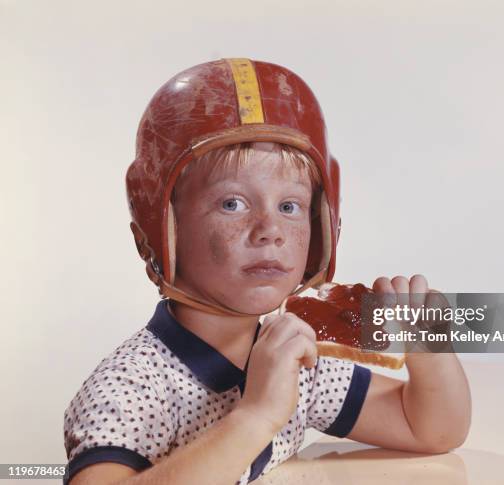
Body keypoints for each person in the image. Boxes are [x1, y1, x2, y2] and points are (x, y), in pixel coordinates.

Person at [63, 58, 471, 485]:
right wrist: (256, 416)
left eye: (290, 206)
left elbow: (430, 429)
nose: (270, 231)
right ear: (163, 228)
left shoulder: (294, 356)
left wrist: (428, 347)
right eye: (232, 203)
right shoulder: (131, 386)